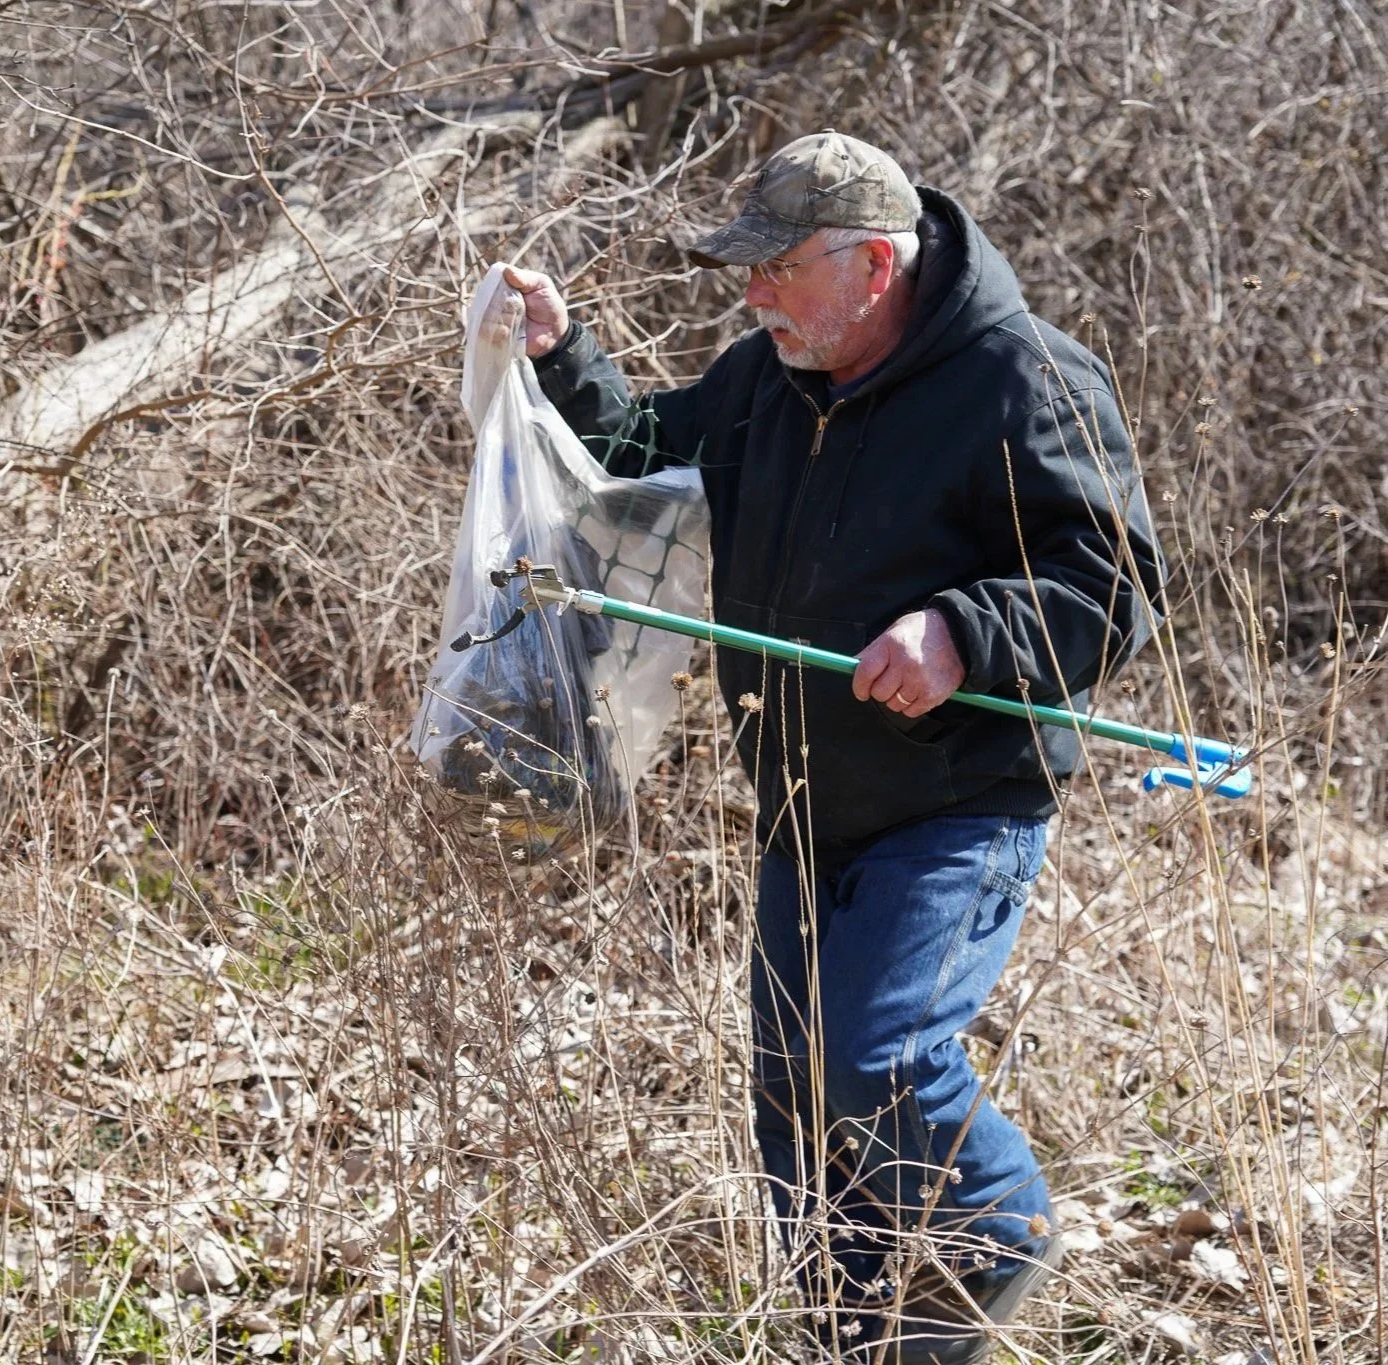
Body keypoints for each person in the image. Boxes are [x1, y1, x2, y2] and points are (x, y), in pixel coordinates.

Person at [502, 131, 1163, 1362]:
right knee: (794, 1107)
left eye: (775, 270)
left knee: (875, 1057)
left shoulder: (1022, 380)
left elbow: (1115, 582)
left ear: (870, 262)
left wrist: (964, 632)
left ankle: (999, 1226)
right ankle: (854, 1344)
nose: (753, 297)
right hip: (802, 798)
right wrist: (561, 356)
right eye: (749, 272)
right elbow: (646, 454)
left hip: (956, 802)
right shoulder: (770, 375)